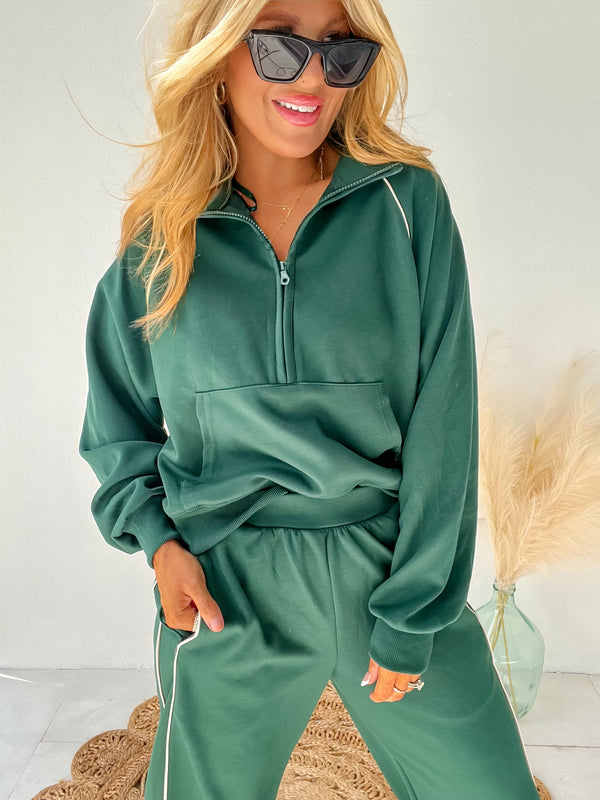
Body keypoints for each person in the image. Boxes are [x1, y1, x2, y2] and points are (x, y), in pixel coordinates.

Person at [79, 1, 541, 798]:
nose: (315, 77)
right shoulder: (162, 238)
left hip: (386, 562)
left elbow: (444, 422)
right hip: (228, 588)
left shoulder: (407, 205)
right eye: (279, 47)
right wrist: (161, 547)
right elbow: (116, 427)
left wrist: (411, 613)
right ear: (220, 55)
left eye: (340, 50)